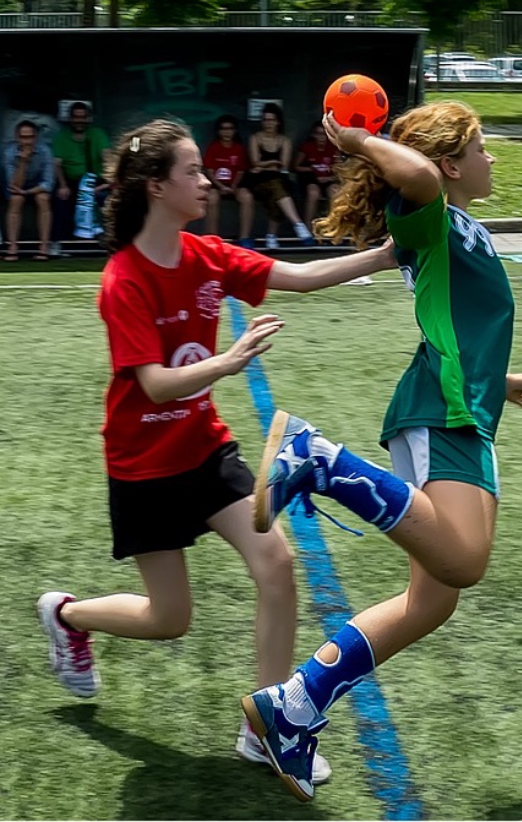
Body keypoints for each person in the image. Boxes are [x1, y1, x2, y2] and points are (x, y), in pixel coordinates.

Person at [33, 119, 394, 783]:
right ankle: (67, 614)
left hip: (203, 451)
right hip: (143, 468)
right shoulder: (123, 280)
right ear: (156, 187)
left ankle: (268, 727)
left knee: (276, 562)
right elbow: (155, 382)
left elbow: (297, 276)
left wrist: (382, 256)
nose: (207, 181)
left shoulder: (207, 254)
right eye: (193, 171)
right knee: (170, 619)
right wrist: (227, 363)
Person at [242, 101, 522, 802]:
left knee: (431, 600)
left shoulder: (459, 229)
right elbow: (413, 176)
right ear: (448, 166)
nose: (493, 158)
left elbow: (455, 319)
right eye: (480, 147)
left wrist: (500, 377)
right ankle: (316, 458)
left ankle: (293, 707)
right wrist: (355, 139)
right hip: (444, 410)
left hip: (459, 404)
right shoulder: (431, 212)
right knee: (465, 563)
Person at [246, 104, 316, 250]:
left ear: (278, 122)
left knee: (277, 191)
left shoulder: (284, 140)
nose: (268, 123)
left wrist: (263, 165)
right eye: (265, 120)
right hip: (258, 182)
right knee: (277, 187)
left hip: (278, 178)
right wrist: (272, 162)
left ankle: (272, 236)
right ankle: (295, 225)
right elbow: (254, 162)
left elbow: (283, 165)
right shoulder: (255, 138)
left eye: (272, 120)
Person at [51, 101, 111, 251]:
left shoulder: (97, 134)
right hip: (71, 181)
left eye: (83, 117)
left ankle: (108, 243)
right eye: (76, 117)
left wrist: (108, 183)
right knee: (61, 199)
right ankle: (63, 244)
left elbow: (107, 158)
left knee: (107, 198)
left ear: (88, 119)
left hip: (95, 180)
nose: (79, 121)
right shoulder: (61, 137)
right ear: (70, 119)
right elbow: (57, 164)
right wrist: (63, 185)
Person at [4, 118, 58, 261]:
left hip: (37, 188)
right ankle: (12, 247)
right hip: (18, 188)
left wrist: (28, 192)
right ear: (17, 137)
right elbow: (13, 185)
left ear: (36, 137)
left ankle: (44, 247)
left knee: (43, 198)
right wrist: (23, 162)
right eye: (23, 137)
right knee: (16, 199)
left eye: (30, 137)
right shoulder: (9, 153)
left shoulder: (45, 151)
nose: (27, 141)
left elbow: (48, 183)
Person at [203, 116, 253, 244]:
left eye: (230, 128)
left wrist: (234, 186)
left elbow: (241, 170)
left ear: (235, 130)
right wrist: (221, 187)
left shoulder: (239, 148)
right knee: (212, 198)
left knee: (247, 197)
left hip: (235, 185)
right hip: (217, 185)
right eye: (223, 129)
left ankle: (245, 237)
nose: (226, 132)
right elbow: (209, 170)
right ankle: (212, 239)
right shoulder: (213, 147)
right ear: (218, 131)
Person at [294, 121, 341, 228]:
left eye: (324, 134)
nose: (321, 137)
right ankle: (308, 228)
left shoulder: (334, 148)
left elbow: (340, 169)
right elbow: (295, 167)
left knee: (334, 193)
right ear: (313, 134)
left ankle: (335, 228)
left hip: (330, 179)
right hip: (312, 178)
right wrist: (311, 169)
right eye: (318, 134)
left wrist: (330, 177)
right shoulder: (307, 147)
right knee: (313, 193)